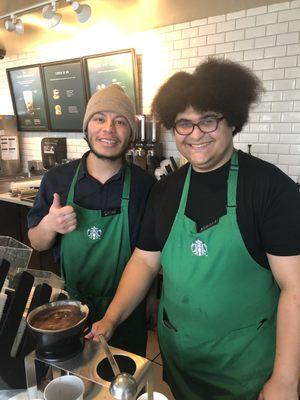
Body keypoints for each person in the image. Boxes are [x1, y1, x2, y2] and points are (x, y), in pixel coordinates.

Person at [89, 59, 300, 399]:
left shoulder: (269, 188)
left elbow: (296, 287)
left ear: (232, 120)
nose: (196, 134)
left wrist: (286, 380)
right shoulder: (166, 189)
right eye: (184, 124)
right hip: (182, 359)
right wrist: (111, 319)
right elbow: (145, 262)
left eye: (208, 120)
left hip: (246, 366)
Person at [27, 84, 155, 356]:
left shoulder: (146, 185)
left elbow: (150, 255)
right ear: (86, 128)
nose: (109, 128)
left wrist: (152, 300)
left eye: (120, 121)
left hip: (127, 310)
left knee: (123, 386)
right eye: (100, 118)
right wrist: (49, 226)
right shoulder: (57, 179)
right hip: (69, 311)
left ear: (130, 133)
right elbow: (36, 242)